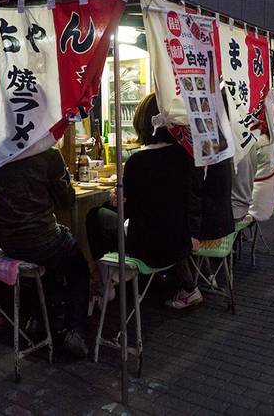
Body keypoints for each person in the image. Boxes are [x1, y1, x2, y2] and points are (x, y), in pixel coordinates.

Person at [86, 93, 203, 310]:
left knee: (96, 215)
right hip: (179, 244)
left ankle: (105, 282)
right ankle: (110, 279)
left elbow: (131, 210)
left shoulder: (137, 162)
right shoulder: (183, 155)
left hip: (147, 248)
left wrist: (117, 200)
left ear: (142, 122)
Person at [0, 147, 90, 357]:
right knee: (78, 266)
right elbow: (67, 201)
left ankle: (40, 317)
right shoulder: (48, 154)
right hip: (43, 241)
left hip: (8, 243)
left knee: (50, 264)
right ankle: (76, 331)